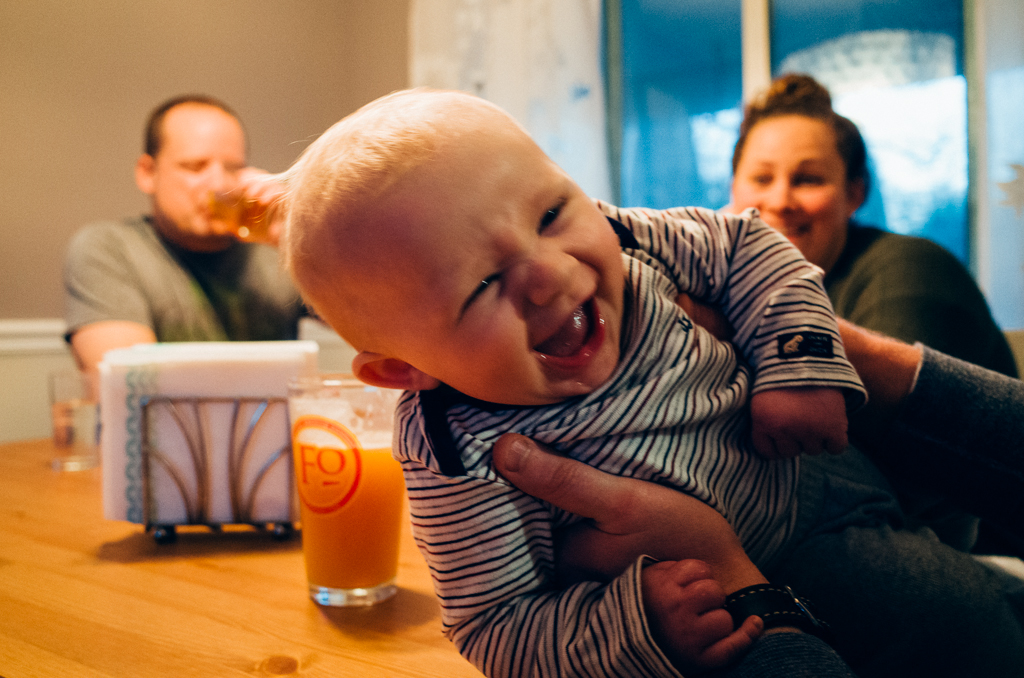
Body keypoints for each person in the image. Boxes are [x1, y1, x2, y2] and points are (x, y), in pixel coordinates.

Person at [279, 89, 1024, 678]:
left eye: (550, 213)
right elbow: (495, 625)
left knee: (965, 626)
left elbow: (750, 245)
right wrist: (637, 622)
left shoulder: (631, 236)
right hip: (706, 605)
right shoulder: (450, 448)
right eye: (479, 285)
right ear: (403, 370)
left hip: (816, 503)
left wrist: (795, 362)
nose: (548, 273)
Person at [728, 73, 1018, 552]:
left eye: (808, 179)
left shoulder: (910, 270)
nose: (779, 201)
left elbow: (879, 483)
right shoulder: (746, 281)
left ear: (855, 194)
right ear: (733, 191)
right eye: (761, 178)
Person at [63, 95, 302, 375]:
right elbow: (130, 386)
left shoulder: (276, 252)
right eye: (195, 166)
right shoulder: (110, 249)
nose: (219, 184)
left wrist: (297, 239)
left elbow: (352, 324)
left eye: (233, 168)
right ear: (147, 173)